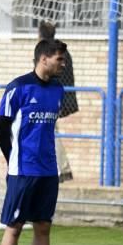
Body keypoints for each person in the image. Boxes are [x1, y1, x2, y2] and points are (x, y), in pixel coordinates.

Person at [0, 38, 67, 245]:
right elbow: (1, 126)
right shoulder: (19, 87)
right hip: (23, 170)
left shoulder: (58, 89)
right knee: (14, 227)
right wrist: (11, 157)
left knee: (43, 227)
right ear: (44, 57)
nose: (63, 64)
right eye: (59, 58)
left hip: (48, 170)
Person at [38, 20, 78, 182]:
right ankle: (60, 169)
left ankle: (63, 169)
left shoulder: (48, 54)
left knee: (49, 132)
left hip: (53, 99)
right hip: (61, 99)